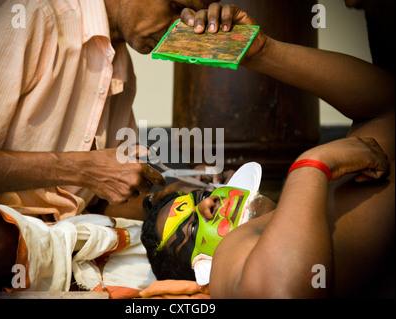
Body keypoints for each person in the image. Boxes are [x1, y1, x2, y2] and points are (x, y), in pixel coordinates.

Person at [140, 1, 395, 298]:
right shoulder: (226, 265)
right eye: (193, 228)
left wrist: (263, 52)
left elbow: (385, 108)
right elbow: (281, 292)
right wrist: (312, 166)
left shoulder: (324, 205)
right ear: (201, 274)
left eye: (202, 195)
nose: (208, 204)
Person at [0, 0, 218, 222]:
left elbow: (94, 203)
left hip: (56, 243)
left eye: (194, 21)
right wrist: (82, 168)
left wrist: (167, 200)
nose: (180, 30)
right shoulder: (31, 15)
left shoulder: (120, 65)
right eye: (175, 7)